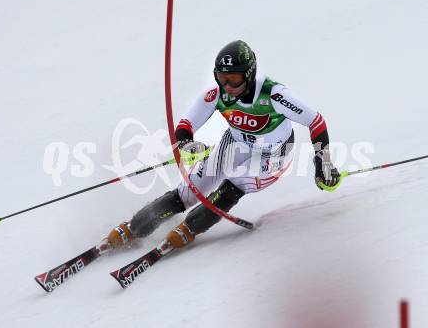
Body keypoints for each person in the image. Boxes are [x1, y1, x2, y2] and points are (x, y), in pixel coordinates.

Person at [102, 40, 341, 256]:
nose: (227, 86)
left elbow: (315, 121)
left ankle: (189, 228)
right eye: (221, 77)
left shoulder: (274, 94)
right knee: (190, 190)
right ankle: (134, 228)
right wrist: (187, 144)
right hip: (236, 143)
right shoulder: (218, 95)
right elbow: (186, 124)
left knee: (235, 183)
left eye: (233, 79)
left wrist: (324, 162)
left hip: (273, 156)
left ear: (248, 74)